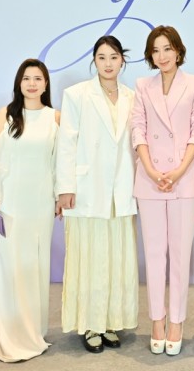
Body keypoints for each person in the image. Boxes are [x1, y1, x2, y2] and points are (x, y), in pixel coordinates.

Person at [0, 59, 59, 363]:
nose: (32, 84)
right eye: (26, 78)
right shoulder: (5, 115)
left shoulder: (55, 117)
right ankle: (12, 339)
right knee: (11, 269)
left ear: (46, 84)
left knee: (36, 267)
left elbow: (58, 163)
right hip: (11, 204)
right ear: (19, 83)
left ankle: (35, 332)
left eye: (38, 78)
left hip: (41, 204)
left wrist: (60, 197)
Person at [55, 36, 139, 353]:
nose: (108, 63)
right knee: (88, 259)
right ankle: (90, 324)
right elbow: (66, 143)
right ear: (94, 61)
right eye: (101, 57)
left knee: (117, 259)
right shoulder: (77, 94)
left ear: (122, 61)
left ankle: (110, 321)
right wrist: (65, 187)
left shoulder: (133, 97)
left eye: (113, 57)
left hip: (121, 191)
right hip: (87, 190)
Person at [130, 25, 194, 356]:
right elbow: (138, 129)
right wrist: (150, 169)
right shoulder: (142, 86)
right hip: (150, 178)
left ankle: (176, 321)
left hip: (184, 178)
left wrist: (178, 170)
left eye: (167, 48)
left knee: (179, 253)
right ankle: (156, 320)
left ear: (178, 50)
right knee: (153, 252)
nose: (162, 56)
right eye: (155, 50)